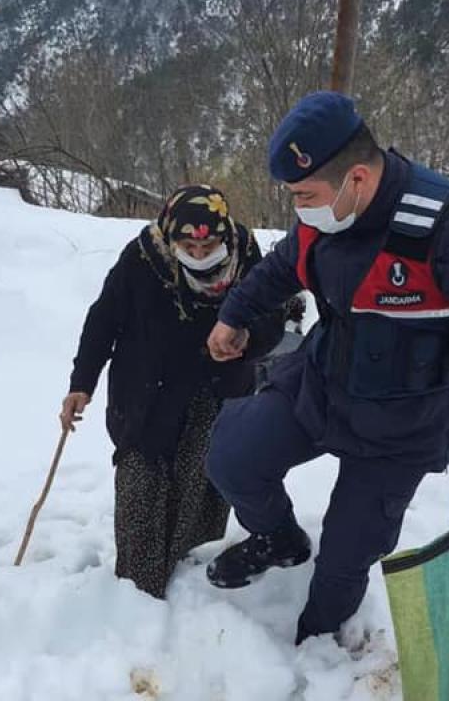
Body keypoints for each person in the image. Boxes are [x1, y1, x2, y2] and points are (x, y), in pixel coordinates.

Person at [202, 92, 449, 644]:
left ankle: (317, 645)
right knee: (233, 455)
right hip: (322, 384)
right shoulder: (326, 215)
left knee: (347, 555)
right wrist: (234, 314)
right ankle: (280, 538)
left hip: (403, 424)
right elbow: (282, 266)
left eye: (305, 196)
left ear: (358, 179)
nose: (299, 209)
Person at [62, 184, 283, 599]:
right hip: (148, 393)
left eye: (209, 247)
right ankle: (136, 595)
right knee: (141, 486)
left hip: (215, 391)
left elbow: (273, 316)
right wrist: (81, 383)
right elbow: (103, 320)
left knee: (199, 482)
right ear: (170, 237)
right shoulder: (144, 257)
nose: (199, 255)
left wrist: (247, 337)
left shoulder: (246, 255)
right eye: (188, 247)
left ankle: (184, 577)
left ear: (224, 236)